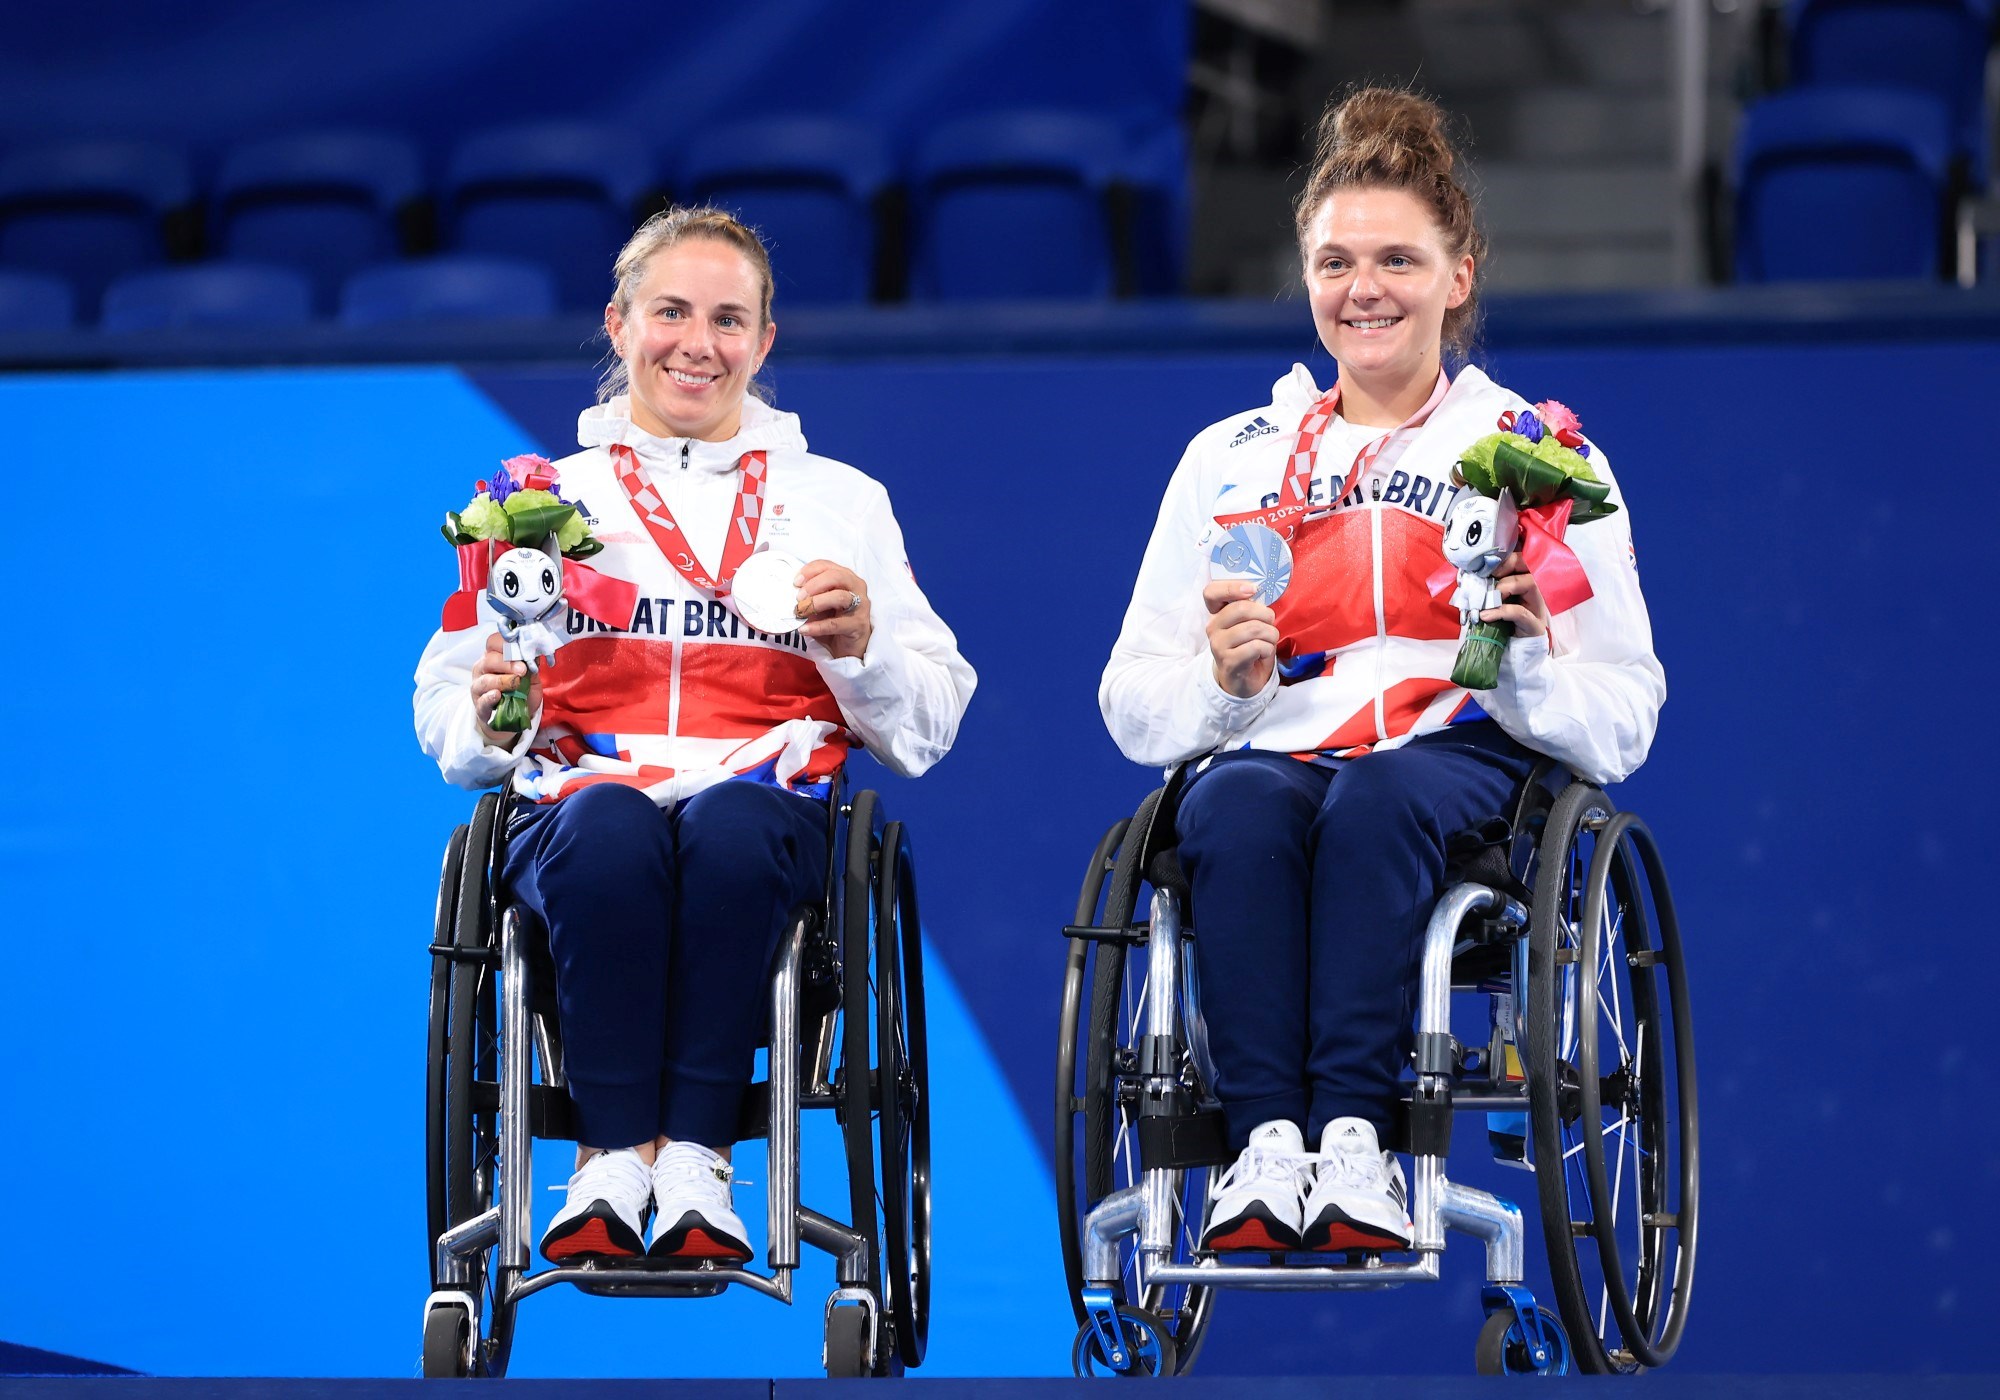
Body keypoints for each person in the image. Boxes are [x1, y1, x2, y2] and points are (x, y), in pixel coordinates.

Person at [1099, 88, 1663, 1255]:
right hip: (1272, 745)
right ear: (1305, 276)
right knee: (1239, 804)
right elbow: (1129, 700)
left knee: (1375, 799)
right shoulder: (1227, 458)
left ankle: (1353, 1146)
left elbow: (1624, 713)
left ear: (1458, 276)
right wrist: (1217, 682)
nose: (1364, 288)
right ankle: (1263, 1151)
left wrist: (1520, 668)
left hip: (1455, 758)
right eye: (1335, 260)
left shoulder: (1537, 455)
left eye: (1398, 259)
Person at [415, 207, 975, 1266]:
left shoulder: (841, 502)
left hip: (762, 810)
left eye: (728, 319)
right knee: (613, 826)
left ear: (764, 343)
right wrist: (493, 715)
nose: (696, 343)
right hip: (583, 808)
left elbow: (931, 717)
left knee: (725, 825)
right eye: (670, 311)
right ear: (619, 323)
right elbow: (446, 708)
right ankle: (611, 1160)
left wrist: (860, 653)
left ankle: (699, 1165)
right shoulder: (534, 501)